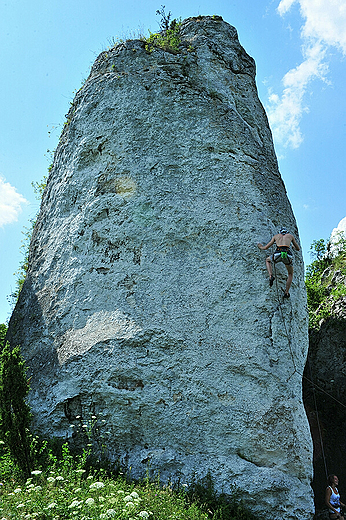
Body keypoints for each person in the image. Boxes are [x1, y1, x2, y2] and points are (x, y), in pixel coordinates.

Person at [257, 228, 300, 298]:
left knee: (267, 260)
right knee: (290, 274)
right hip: (287, 255)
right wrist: (292, 246)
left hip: (277, 254)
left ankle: (271, 275)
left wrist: (260, 247)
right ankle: (286, 292)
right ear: (287, 233)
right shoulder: (290, 236)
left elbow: (266, 247)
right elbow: (298, 248)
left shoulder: (276, 236)